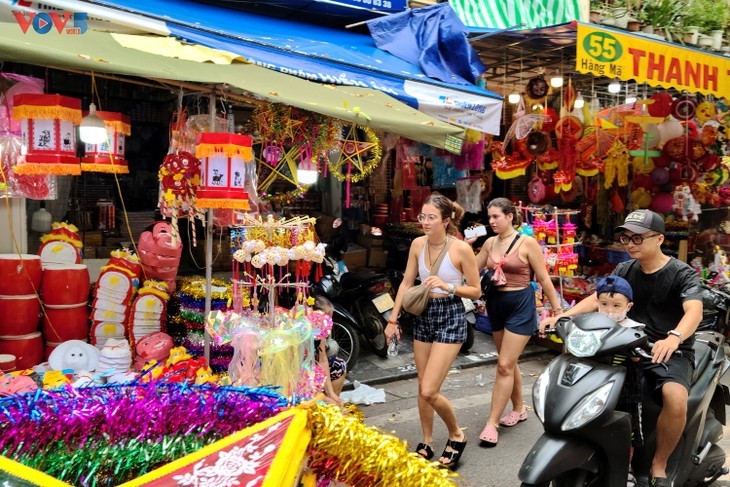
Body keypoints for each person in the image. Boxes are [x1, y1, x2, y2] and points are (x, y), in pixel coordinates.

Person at [540, 209, 703, 486]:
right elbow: (597, 299)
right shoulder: (624, 269)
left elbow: (694, 312)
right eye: (626, 238)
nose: (629, 244)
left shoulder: (681, 273)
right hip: (624, 344)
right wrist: (563, 316)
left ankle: (659, 464)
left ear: (659, 238)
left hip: (667, 350)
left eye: (637, 238)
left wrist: (674, 337)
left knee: (675, 398)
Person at [385, 192, 481, 468]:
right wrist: (393, 320)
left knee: (430, 389)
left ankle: (456, 434)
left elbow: (475, 290)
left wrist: (449, 286)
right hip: (424, 314)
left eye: (431, 218)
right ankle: (426, 440)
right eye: (422, 217)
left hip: (450, 313)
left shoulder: (460, 248)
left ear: (445, 220)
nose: (425, 222)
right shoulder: (417, 244)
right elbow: (405, 283)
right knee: (422, 385)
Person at [471, 197, 562, 447]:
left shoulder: (527, 243)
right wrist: (466, 246)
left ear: (510, 216)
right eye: (489, 217)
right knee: (507, 363)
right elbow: (471, 269)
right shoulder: (489, 243)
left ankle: (492, 422)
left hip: (520, 305)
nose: (491, 222)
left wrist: (557, 310)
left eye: (496, 217)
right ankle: (519, 408)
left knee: (504, 364)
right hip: (495, 305)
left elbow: (543, 278)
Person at [313, 295, 346, 406]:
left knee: (339, 365)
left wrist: (330, 393)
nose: (329, 323)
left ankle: (330, 404)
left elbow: (322, 360)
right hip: (300, 375)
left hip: (313, 369)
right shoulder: (300, 334)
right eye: (326, 319)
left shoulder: (320, 332)